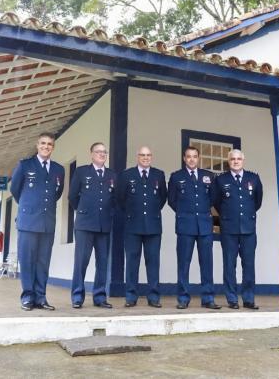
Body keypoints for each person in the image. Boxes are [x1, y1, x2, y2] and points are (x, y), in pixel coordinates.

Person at [10, 132, 65, 311]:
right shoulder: (25, 165)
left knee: (43, 262)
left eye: (49, 144)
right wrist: (29, 206)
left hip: (47, 222)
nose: (46, 146)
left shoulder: (58, 169)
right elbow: (15, 190)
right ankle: (27, 297)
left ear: (53, 147)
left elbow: (57, 193)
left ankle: (41, 297)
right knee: (27, 260)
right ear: (37, 145)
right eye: (43, 143)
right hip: (28, 221)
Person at [168, 146, 220, 310]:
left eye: (195, 156)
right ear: (184, 158)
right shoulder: (176, 177)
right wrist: (186, 213)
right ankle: (183, 298)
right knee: (183, 263)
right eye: (189, 156)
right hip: (185, 225)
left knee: (207, 263)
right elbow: (172, 200)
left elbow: (213, 198)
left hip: (204, 225)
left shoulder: (208, 176)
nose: (192, 159)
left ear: (198, 158)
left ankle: (208, 298)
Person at [117, 146, 167, 308]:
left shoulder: (158, 175)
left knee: (153, 262)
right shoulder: (126, 175)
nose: (145, 157)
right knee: (132, 261)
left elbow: (162, 198)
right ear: (137, 156)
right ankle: (131, 296)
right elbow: (120, 198)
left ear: (151, 157)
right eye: (142, 155)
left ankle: (153, 296)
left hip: (153, 225)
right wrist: (133, 212)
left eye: (148, 155)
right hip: (133, 225)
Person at [69, 142, 117, 308]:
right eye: (98, 151)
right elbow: (73, 197)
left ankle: (99, 297)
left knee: (102, 262)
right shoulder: (81, 172)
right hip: (84, 224)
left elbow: (115, 200)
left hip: (104, 225)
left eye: (104, 152)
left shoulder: (112, 175)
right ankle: (77, 296)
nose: (102, 154)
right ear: (91, 154)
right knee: (81, 261)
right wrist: (84, 212)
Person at [214, 149, 263, 310]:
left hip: (248, 229)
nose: (236, 161)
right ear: (228, 161)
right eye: (232, 159)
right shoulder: (221, 180)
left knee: (249, 265)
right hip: (229, 229)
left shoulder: (253, 178)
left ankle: (248, 299)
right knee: (229, 265)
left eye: (238, 159)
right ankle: (232, 299)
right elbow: (216, 202)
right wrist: (229, 215)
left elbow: (257, 202)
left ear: (243, 160)